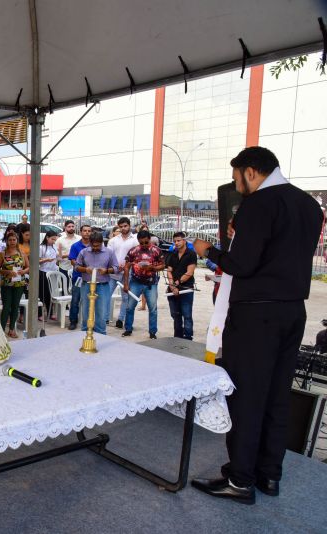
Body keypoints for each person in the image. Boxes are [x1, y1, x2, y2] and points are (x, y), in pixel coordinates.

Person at [191, 146, 323, 503]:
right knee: (277, 396)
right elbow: (277, 250)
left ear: (251, 172)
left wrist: (208, 252)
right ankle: (269, 476)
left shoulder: (258, 205)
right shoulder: (310, 205)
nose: (239, 186)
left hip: (256, 316)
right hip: (293, 311)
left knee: (247, 396)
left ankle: (240, 479)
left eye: (238, 179)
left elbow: (242, 264)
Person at [121, 230, 165, 339]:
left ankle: (152, 332)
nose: (144, 245)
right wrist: (126, 284)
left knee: (153, 309)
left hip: (151, 283)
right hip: (135, 282)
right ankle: (128, 329)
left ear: (149, 239)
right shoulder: (133, 251)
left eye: (146, 242)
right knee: (130, 307)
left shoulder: (156, 250)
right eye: (141, 243)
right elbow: (127, 267)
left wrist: (153, 268)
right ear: (138, 241)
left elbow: (163, 265)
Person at [75, 232, 120, 334]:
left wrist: (107, 271)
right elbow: (76, 266)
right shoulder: (84, 252)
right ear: (90, 243)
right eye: (93, 246)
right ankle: (85, 333)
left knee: (101, 311)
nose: (95, 248)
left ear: (101, 243)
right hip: (87, 284)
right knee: (86, 310)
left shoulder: (109, 252)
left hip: (102, 285)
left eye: (98, 246)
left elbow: (116, 268)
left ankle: (101, 333)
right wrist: (85, 269)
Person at [106, 217, 138, 328]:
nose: (123, 228)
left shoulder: (135, 240)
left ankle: (120, 319)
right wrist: (115, 265)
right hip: (113, 273)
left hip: (128, 274)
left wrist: (127, 265)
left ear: (129, 225)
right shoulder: (113, 240)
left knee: (125, 297)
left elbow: (137, 257)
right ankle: (105, 318)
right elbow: (108, 255)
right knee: (107, 295)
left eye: (125, 226)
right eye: (121, 227)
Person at [165, 231, 197, 340]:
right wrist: (172, 286)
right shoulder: (172, 254)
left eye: (178, 240)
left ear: (184, 240)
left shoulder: (191, 254)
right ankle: (177, 337)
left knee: (187, 315)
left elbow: (189, 272)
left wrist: (177, 283)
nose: (176, 243)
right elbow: (169, 271)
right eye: (174, 241)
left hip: (186, 289)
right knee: (175, 315)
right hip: (172, 289)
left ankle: (188, 338)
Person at [0, 231, 29, 338]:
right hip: (7, 284)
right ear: (6, 241)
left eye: (14, 240)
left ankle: (11, 329)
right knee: (6, 307)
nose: (12, 242)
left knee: (15, 306)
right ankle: (1, 330)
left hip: (19, 283)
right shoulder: (2, 254)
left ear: (17, 240)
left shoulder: (22, 253)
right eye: (10, 240)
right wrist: (7, 272)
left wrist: (24, 272)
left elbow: (28, 267)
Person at [67, 224, 92, 330]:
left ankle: (88, 322)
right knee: (75, 300)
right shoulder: (75, 246)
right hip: (78, 277)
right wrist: (83, 267)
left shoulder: (94, 245)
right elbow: (73, 261)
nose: (87, 232)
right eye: (85, 230)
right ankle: (73, 321)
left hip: (92, 277)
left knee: (90, 300)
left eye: (89, 231)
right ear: (81, 232)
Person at [38, 230, 59, 320]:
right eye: (52, 239)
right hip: (43, 272)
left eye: (55, 239)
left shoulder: (55, 247)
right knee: (42, 293)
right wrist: (46, 260)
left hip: (53, 272)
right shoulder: (42, 247)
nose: (54, 241)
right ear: (47, 238)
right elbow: (38, 261)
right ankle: (39, 313)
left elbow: (57, 258)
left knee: (51, 293)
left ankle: (50, 312)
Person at [57, 220, 81, 285]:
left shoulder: (79, 239)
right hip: (64, 267)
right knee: (65, 288)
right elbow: (57, 255)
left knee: (77, 287)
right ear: (65, 228)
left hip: (77, 268)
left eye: (73, 226)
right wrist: (69, 255)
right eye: (69, 226)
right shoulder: (60, 240)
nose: (71, 228)